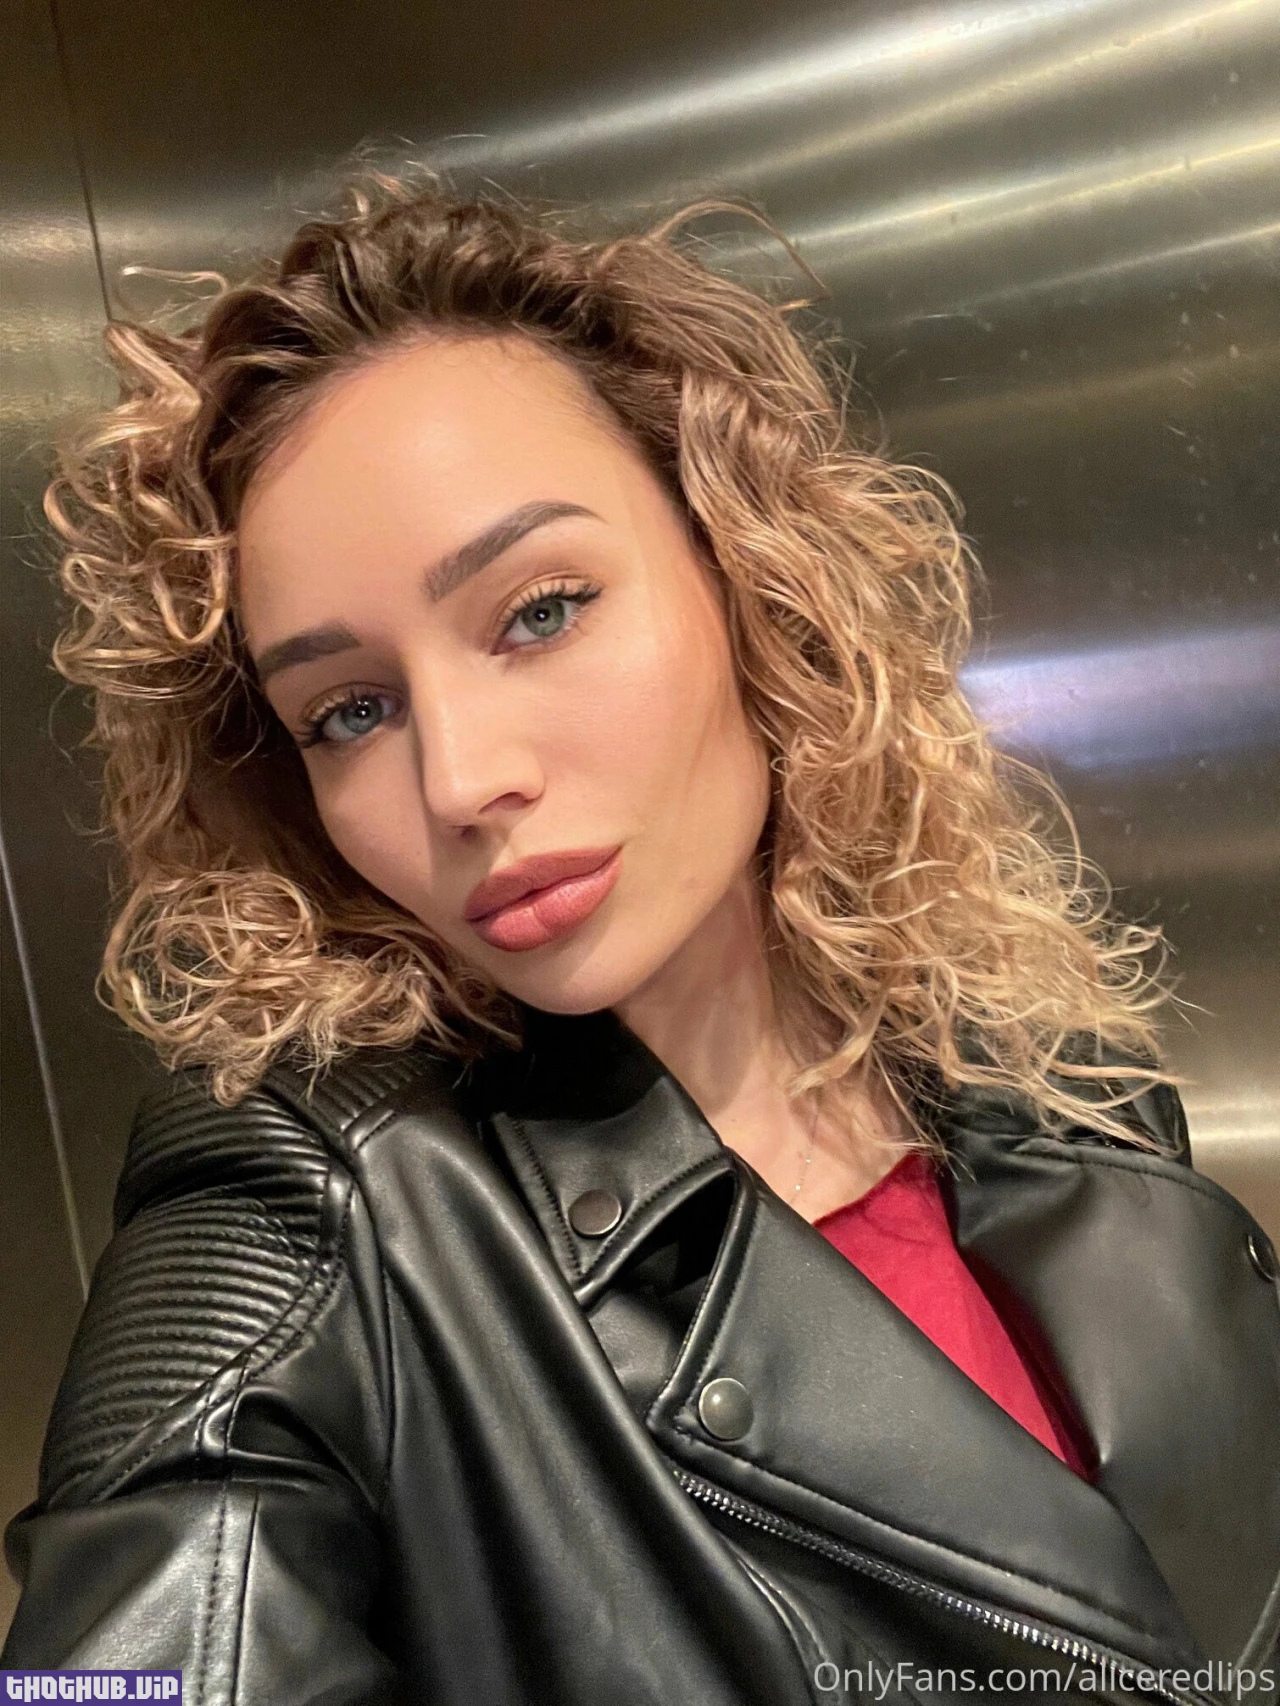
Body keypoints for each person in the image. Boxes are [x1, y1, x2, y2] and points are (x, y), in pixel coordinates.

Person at [3, 173, 1277, 1705]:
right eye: (348, 709)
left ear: (744, 569)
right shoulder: (315, 1207)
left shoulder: (1048, 1074)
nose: (460, 779)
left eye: (539, 610)